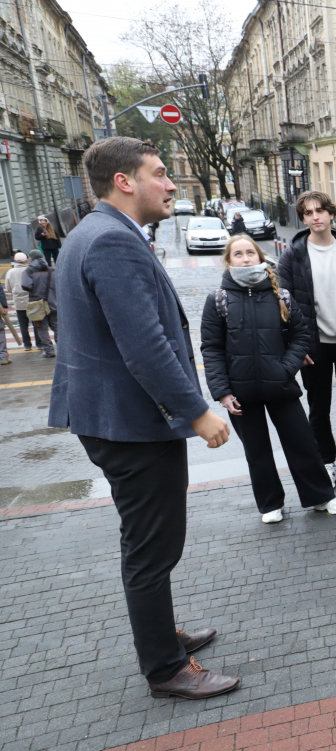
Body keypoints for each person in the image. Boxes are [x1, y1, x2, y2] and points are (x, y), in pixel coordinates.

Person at [49, 136, 238, 700]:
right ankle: (165, 668)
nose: (172, 183)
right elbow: (145, 347)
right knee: (152, 548)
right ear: (124, 182)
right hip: (130, 424)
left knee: (149, 544)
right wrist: (198, 412)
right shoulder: (112, 241)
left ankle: (163, 635)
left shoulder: (94, 232)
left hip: (115, 420)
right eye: (160, 173)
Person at [201, 235, 336, 522]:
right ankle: (270, 504)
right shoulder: (218, 300)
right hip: (240, 392)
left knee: (303, 443)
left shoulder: (280, 295)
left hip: (280, 385)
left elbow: (300, 336)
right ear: (229, 261)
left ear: (260, 257)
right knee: (257, 451)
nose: (245, 259)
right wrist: (222, 392)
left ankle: (320, 497)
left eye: (250, 253)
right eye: (238, 254)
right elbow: (212, 349)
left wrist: (286, 368)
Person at [276, 190, 336, 487]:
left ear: (331, 213)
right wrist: (295, 347)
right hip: (313, 346)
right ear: (303, 218)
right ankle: (327, 462)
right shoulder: (292, 256)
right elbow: (282, 306)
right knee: (318, 407)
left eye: (320, 210)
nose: (315, 217)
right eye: (308, 213)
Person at [22, 251, 56, 358]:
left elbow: (26, 286)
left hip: (37, 305)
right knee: (58, 327)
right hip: (54, 303)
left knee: (42, 329)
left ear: (31, 259)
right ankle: (64, 351)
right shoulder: (52, 270)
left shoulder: (28, 271)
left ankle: (49, 352)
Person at [5, 252, 32, 350]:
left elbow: (8, 287)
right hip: (30, 299)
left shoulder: (11, 272)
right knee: (36, 321)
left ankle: (27, 345)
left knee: (23, 324)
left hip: (18, 300)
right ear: (26, 260)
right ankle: (40, 343)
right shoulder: (29, 270)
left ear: (15, 260)